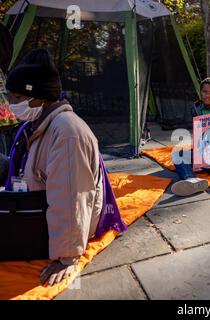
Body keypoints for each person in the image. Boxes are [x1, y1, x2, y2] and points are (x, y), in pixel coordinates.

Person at [3, 48, 126, 286]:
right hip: (38, 204)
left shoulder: (67, 132)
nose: (11, 104)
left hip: (64, 223)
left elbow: (71, 197)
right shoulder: (37, 120)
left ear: (38, 97)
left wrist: (67, 256)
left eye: (16, 98)